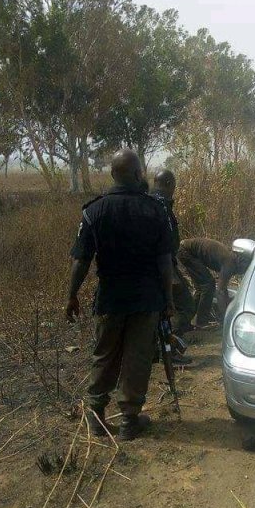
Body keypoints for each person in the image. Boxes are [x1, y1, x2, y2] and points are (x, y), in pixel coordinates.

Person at [66, 150, 174, 441]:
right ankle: (129, 420)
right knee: (137, 359)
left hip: (110, 299)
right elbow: (165, 263)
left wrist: (71, 296)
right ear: (139, 175)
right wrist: (169, 300)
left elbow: (81, 261)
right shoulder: (155, 211)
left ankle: (97, 417)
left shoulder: (93, 211)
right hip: (146, 300)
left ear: (112, 174)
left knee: (104, 355)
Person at [151, 170, 196, 346]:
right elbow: (169, 244)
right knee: (184, 305)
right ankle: (171, 346)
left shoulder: (146, 202)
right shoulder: (162, 206)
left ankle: (161, 347)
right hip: (164, 265)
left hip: (149, 268)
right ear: (169, 184)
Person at [177, 238, 250, 327]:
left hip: (185, 249)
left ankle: (189, 319)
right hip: (186, 251)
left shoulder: (231, 259)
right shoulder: (229, 263)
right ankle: (201, 322)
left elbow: (223, 289)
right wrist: (226, 320)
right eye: (244, 268)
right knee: (208, 285)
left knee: (202, 288)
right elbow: (220, 291)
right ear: (240, 261)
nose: (242, 272)